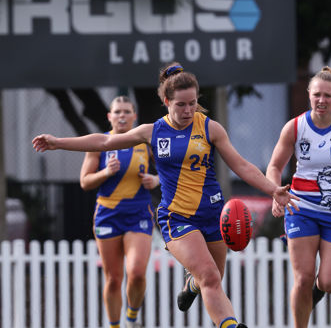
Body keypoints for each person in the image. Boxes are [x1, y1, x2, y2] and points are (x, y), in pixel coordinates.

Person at [33, 62, 298, 328]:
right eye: (181, 105)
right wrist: (58, 143)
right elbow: (104, 142)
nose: (188, 110)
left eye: (193, 103)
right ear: (166, 100)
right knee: (210, 276)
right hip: (177, 217)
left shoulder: (210, 128)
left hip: (213, 215)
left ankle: (191, 285)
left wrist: (273, 189)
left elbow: (241, 165)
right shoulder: (152, 131)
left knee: (212, 277)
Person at [266, 66, 331, 328]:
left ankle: (317, 289)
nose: (321, 100)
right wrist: (275, 193)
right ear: (308, 95)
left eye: (327, 95)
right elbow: (275, 167)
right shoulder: (295, 127)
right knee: (302, 278)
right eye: (316, 95)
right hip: (301, 208)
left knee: (330, 282)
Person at [80, 96, 159, 328]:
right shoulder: (100, 143)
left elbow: (171, 171)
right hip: (108, 214)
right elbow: (85, 181)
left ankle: (132, 317)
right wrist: (105, 173)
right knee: (113, 280)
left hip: (139, 214)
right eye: (117, 112)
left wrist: (155, 180)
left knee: (136, 273)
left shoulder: (144, 142)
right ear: (109, 116)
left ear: (135, 116)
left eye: (126, 111)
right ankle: (115, 325)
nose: (122, 116)